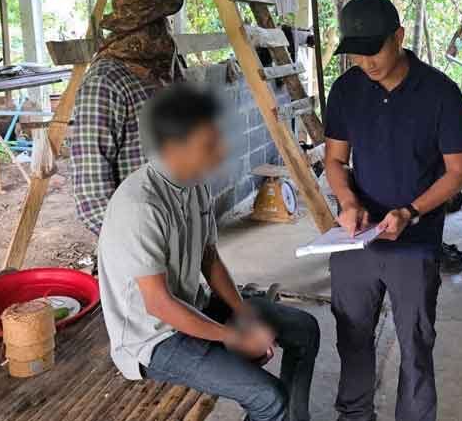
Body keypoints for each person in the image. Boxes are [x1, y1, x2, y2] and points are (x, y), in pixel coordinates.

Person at [97, 84, 320, 421]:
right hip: (153, 339)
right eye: (209, 144)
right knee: (267, 397)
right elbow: (159, 305)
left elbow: (209, 258)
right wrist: (235, 336)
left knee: (304, 329)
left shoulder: (194, 182)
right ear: (174, 148)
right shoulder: (140, 205)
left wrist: (243, 314)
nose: (220, 152)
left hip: (193, 306)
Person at [323, 0, 462, 421]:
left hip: (415, 241)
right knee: (352, 334)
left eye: (374, 50)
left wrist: (410, 212)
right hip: (357, 238)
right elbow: (335, 161)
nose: (366, 62)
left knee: (415, 341)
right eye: (357, 52)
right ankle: (354, 415)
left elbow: (459, 171)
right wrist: (348, 202)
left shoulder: (440, 93)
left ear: (400, 38)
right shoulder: (347, 90)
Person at [72, 0, 185, 235]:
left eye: (163, 21)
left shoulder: (165, 70)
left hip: (180, 224)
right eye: (155, 24)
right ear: (134, 34)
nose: (165, 31)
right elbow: (92, 197)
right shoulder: (104, 83)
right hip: (140, 235)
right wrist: (136, 244)